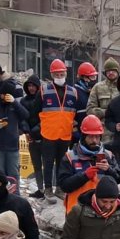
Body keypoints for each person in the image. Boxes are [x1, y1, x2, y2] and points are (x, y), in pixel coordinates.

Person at [59, 115, 120, 214]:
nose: (94, 141)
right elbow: (64, 186)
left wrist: (109, 170)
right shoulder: (70, 157)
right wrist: (84, 176)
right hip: (77, 212)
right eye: (91, 137)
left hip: (103, 212)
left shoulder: (108, 155)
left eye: (97, 137)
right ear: (84, 137)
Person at [41, 60, 84, 199]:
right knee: (47, 163)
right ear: (52, 74)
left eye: (62, 73)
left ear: (66, 73)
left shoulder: (73, 92)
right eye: (57, 74)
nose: (60, 76)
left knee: (62, 164)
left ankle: (60, 188)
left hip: (65, 134)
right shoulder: (44, 90)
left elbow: (77, 113)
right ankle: (48, 189)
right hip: (48, 133)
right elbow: (35, 112)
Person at [0, 79, 29, 180]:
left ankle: (15, 194)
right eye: (4, 95)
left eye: (9, 95)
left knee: (13, 174)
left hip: (12, 146)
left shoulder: (14, 103)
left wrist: (14, 103)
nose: (6, 98)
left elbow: (25, 115)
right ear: (0, 93)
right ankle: (1, 195)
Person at [20, 75, 46, 198]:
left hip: (44, 136)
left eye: (33, 86)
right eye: (29, 86)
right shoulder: (24, 101)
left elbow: (46, 117)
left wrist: (37, 129)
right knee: (36, 165)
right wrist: (26, 131)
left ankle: (49, 188)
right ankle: (40, 189)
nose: (31, 88)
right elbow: (22, 118)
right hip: (31, 138)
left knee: (47, 164)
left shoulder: (43, 99)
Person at [86, 58, 120, 136]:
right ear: (105, 73)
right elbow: (89, 110)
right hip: (103, 132)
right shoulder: (98, 87)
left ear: (118, 72)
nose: (111, 73)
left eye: (113, 70)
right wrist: (106, 112)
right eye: (108, 71)